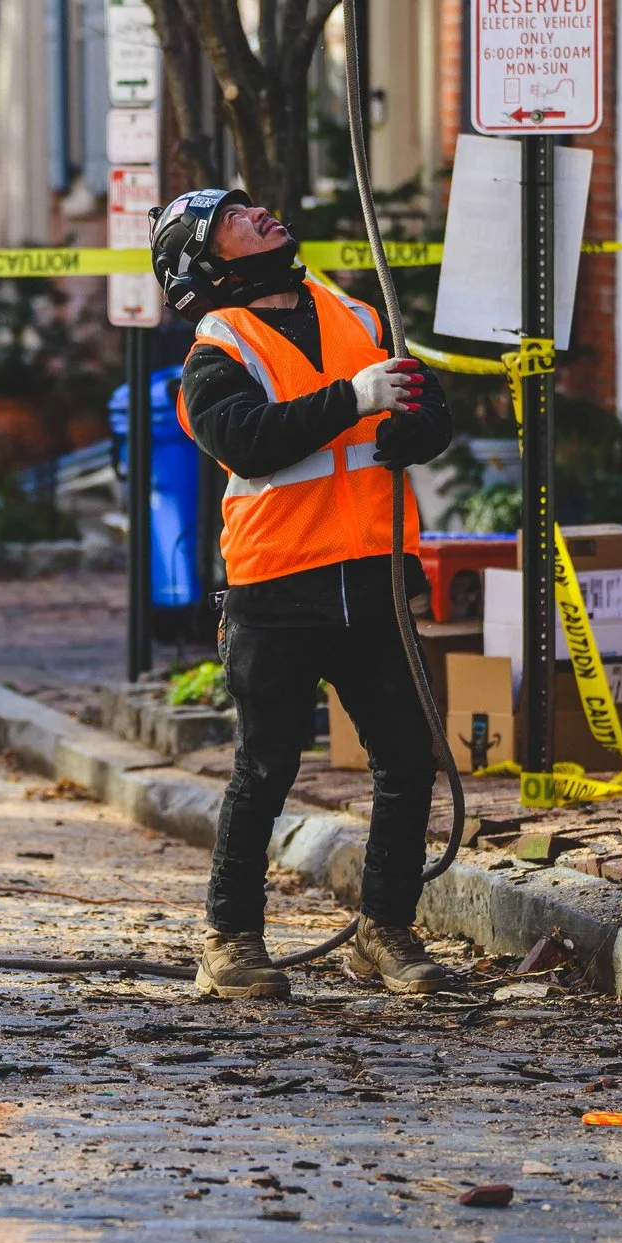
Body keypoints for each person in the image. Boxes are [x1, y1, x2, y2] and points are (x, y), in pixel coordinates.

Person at [151, 187, 459, 1001]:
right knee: (267, 766)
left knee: (406, 757)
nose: (258, 214)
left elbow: (432, 404)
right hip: (277, 583)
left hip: (374, 571)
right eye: (231, 218)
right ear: (207, 264)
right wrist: (355, 401)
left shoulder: (357, 313)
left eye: (252, 205)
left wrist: (416, 426)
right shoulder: (217, 347)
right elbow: (243, 441)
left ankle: (384, 932)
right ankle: (230, 940)